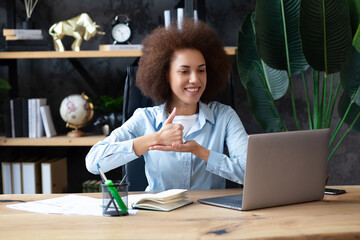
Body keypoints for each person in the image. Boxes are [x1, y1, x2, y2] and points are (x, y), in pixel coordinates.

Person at [86, 18, 248, 191]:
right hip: (160, 214)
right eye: (184, 71)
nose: (195, 79)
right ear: (165, 75)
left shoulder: (224, 116)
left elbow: (250, 172)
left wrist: (200, 151)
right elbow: (93, 162)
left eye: (201, 70)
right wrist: (154, 139)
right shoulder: (145, 118)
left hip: (211, 214)